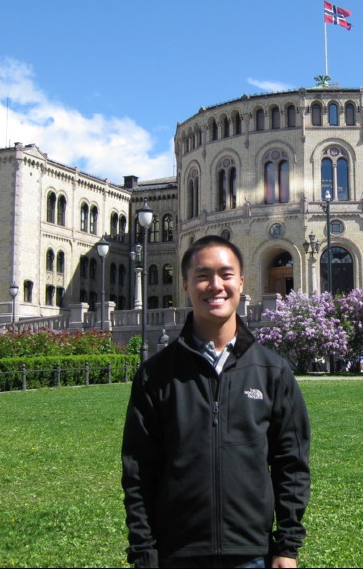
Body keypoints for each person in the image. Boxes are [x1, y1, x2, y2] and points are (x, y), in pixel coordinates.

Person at [122, 235, 311, 568]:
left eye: (225, 274)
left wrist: (287, 545)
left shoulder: (272, 371)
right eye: (202, 275)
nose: (215, 285)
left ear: (241, 280)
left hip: (251, 554)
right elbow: (139, 472)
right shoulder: (156, 375)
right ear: (185, 284)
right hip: (176, 555)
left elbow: (291, 464)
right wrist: (143, 551)